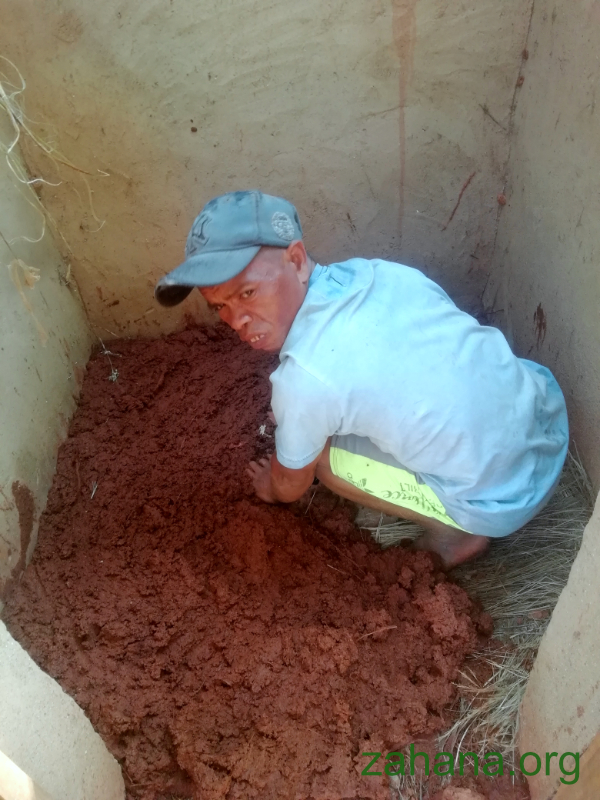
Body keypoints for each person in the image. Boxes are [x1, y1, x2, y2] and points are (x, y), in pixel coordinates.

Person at [155, 191, 569, 567]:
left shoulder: (305, 382)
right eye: (219, 307)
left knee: (317, 458)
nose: (236, 321)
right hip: (544, 418)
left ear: (296, 260)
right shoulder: (378, 274)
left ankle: (460, 534)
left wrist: (272, 486)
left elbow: (290, 484)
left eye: (246, 293)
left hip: (504, 496)